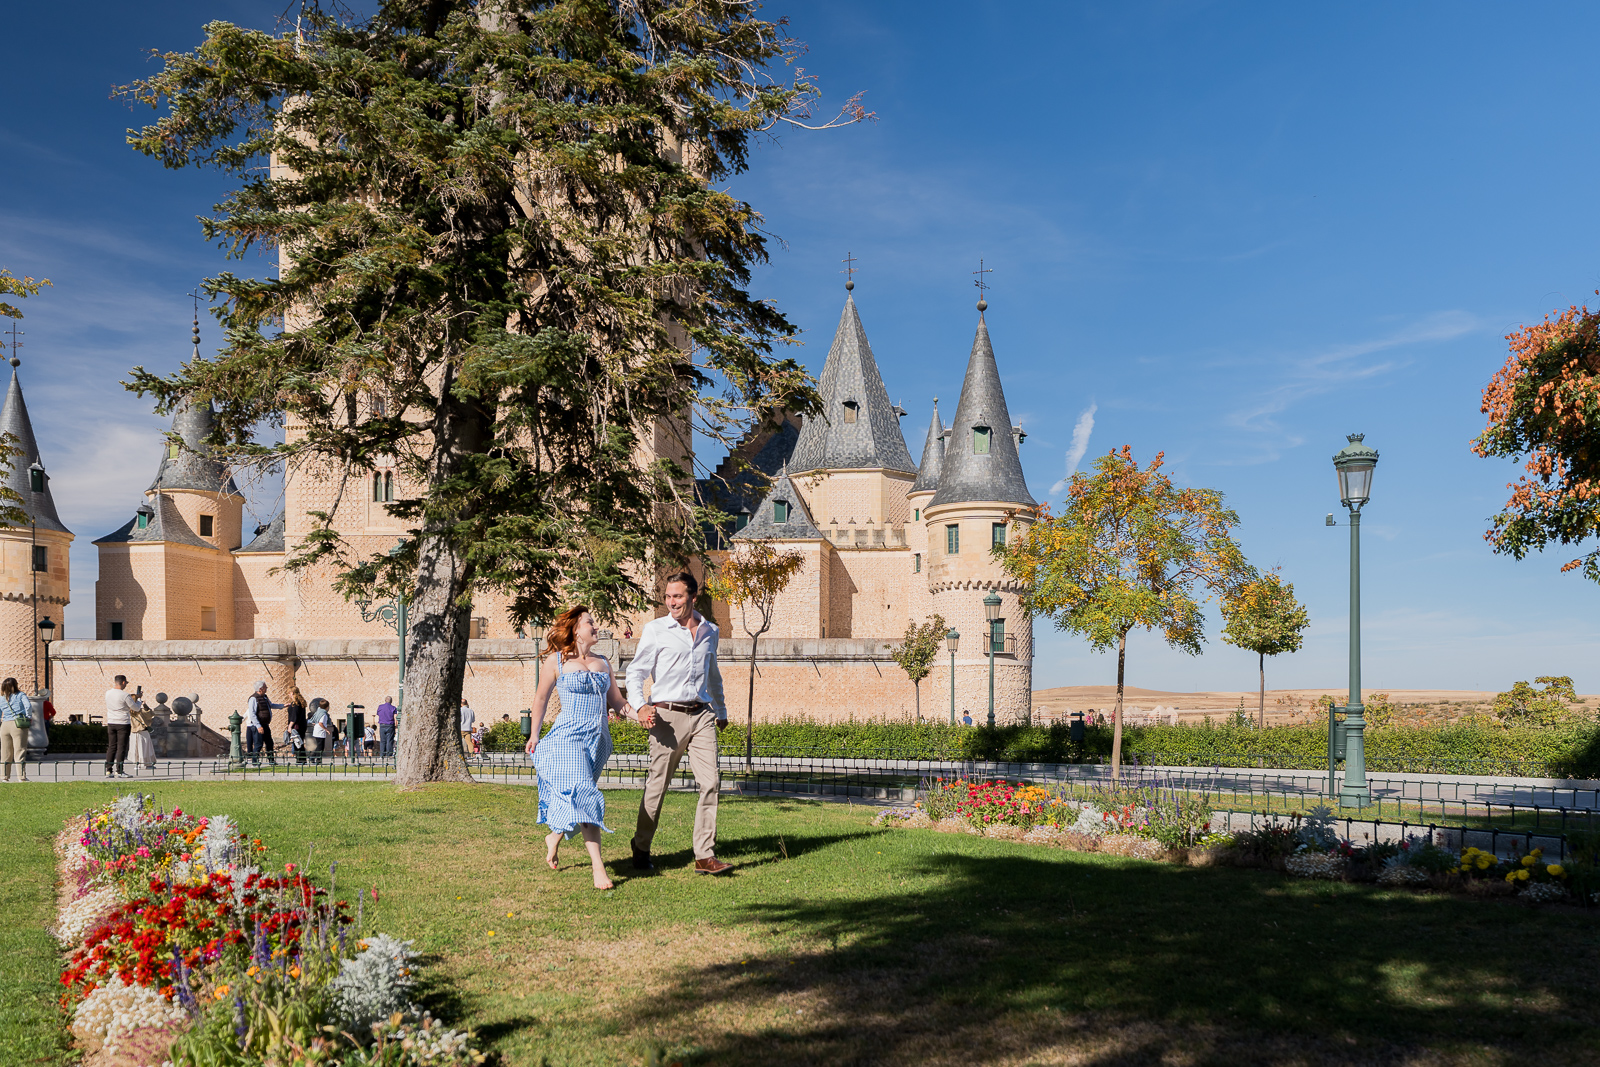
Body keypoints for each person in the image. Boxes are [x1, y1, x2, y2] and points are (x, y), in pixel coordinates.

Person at [626, 571, 732, 875]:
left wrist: (721, 710)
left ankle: (704, 855)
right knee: (657, 787)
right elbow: (635, 673)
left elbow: (713, 673)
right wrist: (640, 706)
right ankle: (642, 847)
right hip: (665, 718)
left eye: (678, 596)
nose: (672, 602)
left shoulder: (710, 630)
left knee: (711, 782)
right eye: (668, 597)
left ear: (693, 597)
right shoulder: (656, 629)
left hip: (701, 715)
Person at [525, 605, 635, 890]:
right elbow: (540, 699)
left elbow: (618, 703)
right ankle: (599, 868)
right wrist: (535, 735)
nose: (595, 626)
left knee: (578, 794)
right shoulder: (557, 661)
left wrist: (640, 715)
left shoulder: (604, 663)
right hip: (567, 737)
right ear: (576, 629)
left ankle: (555, 836)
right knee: (585, 792)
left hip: (597, 740)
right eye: (590, 623)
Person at [103, 676, 141, 779]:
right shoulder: (125, 695)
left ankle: (108, 770)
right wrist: (139, 700)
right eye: (126, 683)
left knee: (111, 747)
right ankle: (119, 771)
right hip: (123, 723)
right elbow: (135, 708)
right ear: (123, 682)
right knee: (121, 747)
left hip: (111, 722)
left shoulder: (108, 693)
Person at [1, 677, 31, 782]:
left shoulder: (1, 698)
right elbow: (28, 706)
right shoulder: (20, 695)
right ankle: (21, 777)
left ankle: (4, 777)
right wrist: (29, 717)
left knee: (5, 752)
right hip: (18, 724)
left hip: (4, 725)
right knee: (19, 751)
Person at [244, 681, 277, 766]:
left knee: (269, 743)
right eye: (265, 687)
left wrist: (283, 706)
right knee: (258, 744)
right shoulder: (253, 699)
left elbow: (271, 705)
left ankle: (271, 760)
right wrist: (258, 726)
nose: (267, 689)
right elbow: (252, 713)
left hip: (265, 724)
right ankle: (255, 762)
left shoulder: (265, 697)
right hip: (257, 725)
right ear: (260, 689)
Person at [129, 694, 157, 771]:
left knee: (135, 748)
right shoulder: (141, 711)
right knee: (145, 749)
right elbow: (150, 714)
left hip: (133, 733)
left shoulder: (128, 713)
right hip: (143, 732)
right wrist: (145, 705)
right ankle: (147, 763)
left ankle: (136, 764)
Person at [284, 687, 309, 764]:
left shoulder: (295, 704)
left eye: (289, 693)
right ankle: (302, 759)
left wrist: (289, 726)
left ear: (292, 693)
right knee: (299, 742)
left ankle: (300, 759)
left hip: (296, 726)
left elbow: (294, 717)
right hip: (302, 725)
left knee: (297, 743)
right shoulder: (300, 703)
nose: (289, 695)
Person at [308, 697, 333, 764]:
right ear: (327, 707)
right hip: (320, 732)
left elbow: (315, 720)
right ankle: (315, 758)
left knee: (319, 746)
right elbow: (320, 723)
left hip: (317, 731)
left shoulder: (318, 711)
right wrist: (326, 729)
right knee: (320, 747)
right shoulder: (324, 714)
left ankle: (315, 758)